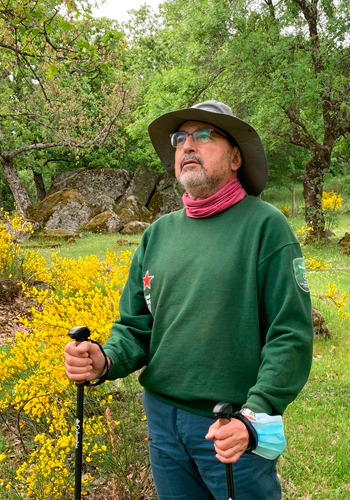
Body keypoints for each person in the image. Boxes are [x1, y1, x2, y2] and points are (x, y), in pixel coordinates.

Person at [65, 101, 313, 500]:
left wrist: (254, 415)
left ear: (235, 158)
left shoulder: (266, 226)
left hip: (229, 427)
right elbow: (136, 326)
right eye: (180, 139)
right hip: (162, 421)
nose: (186, 146)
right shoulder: (157, 234)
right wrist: (104, 358)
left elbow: (290, 334)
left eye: (203, 136)